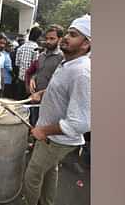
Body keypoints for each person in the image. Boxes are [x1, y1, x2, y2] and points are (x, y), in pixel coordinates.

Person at [23, 14, 91, 205]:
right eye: (68, 33)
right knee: (51, 169)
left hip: (56, 139)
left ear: (85, 44)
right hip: (51, 135)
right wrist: (42, 94)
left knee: (32, 175)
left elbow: (81, 122)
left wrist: (43, 130)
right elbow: (61, 91)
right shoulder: (68, 63)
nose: (66, 37)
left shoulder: (82, 72)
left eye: (73, 35)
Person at [27, 24, 64, 126]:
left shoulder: (62, 58)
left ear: (60, 39)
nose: (48, 41)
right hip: (36, 98)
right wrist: (32, 79)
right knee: (34, 123)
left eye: (52, 38)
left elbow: (62, 84)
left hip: (51, 102)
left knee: (45, 128)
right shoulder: (41, 55)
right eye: (47, 38)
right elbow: (38, 71)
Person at [15, 27, 42, 100]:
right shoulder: (36, 48)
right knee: (28, 101)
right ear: (38, 37)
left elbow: (17, 64)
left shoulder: (21, 47)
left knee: (19, 101)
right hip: (30, 81)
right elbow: (36, 66)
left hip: (20, 79)